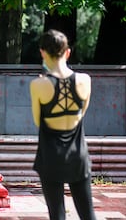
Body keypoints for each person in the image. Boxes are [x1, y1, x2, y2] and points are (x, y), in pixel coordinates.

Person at [29, 29, 97, 220]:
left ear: (43, 52)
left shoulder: (38, 85)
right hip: (78, 155)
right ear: (68, 52)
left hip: (50, 157)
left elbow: (37, 121)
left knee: (57, 215)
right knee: (87, 213)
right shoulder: (85, 80)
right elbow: (81, 114)